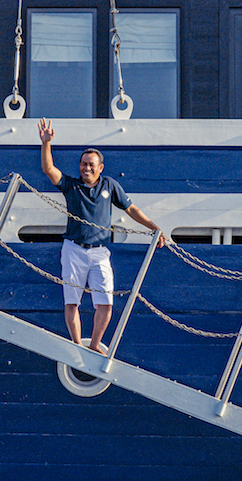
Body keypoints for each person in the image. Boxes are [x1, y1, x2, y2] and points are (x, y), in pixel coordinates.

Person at [38, 117, 165, 355]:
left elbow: (131, 209)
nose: (86, 168)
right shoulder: (72, 186)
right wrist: (46, 143)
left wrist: (154, 227)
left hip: (99, 252)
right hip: (73, 249)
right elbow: (49, 170)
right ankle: (77, 345)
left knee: (106, 302)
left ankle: (95, 344)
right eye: (83, 164)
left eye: (91, 165)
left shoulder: (109, 185)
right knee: (72, 301)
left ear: (100, 168)